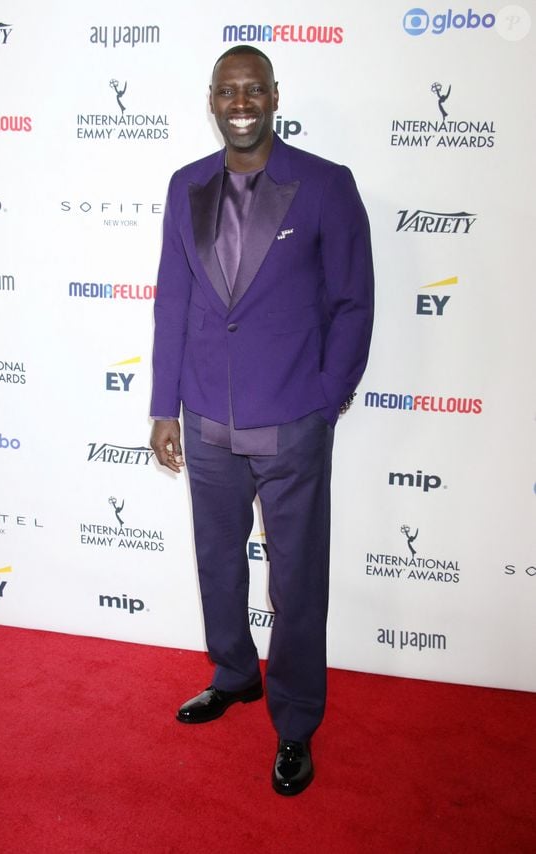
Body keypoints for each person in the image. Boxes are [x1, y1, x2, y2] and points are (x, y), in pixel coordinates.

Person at [150, 45, 374, 796]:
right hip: (206, 416)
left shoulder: (324, 185)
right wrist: (162, 407)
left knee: (297, 579)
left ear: (274, 96)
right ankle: (235, 674)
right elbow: (172, 305)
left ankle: (296, 721)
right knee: (218, 560)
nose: (240, 101)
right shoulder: (186, 187)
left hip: (292, 419)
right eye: (227, 90)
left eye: (253, 89)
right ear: (211, 101)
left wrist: (326, 396)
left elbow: (353, 301)